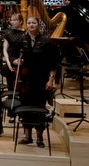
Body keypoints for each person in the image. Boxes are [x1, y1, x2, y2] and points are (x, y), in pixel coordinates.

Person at [16, 16, 59, 146]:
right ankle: (27, 136)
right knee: (25, 108)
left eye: (33, 23)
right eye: (29, 23)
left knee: (39, 107)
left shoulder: (47, 41)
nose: (31, 25)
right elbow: (12, 54)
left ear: (38, 24)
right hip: (25, 81)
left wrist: (51, 80)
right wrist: (15, 60)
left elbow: (54, 63)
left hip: (41, 80)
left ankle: (40, 138)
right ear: (26, 25)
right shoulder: (22, 39)